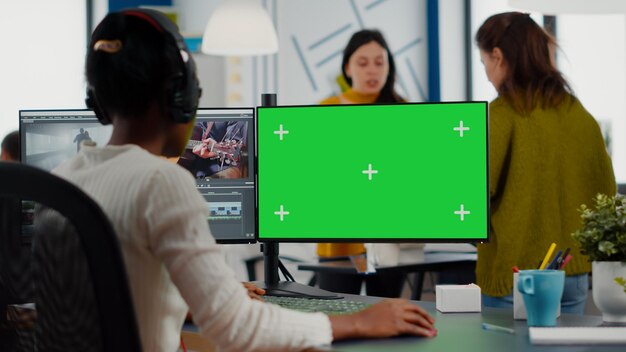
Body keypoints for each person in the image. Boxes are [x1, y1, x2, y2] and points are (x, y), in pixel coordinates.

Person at [53, 9, 436, 351]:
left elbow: (119, 291)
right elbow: (236, 328)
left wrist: (206, 290)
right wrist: (358, 322)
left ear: (98, 100)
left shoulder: (63, 179)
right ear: (181, 97)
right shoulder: (161, 183)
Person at [475, 12, 616, 314]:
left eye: (484, 62)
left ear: (498, 56)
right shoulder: (578, 113)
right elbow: (605, 192)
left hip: (517, 277)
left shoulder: (500, 115)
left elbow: (471, 196)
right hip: (571, 274)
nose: (486, 73)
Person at [317, 29, 408, 298]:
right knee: (338, 318)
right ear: (347, 67)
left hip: (389, 235)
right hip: (338, 238)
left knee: (388, 318)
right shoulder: (326, 110)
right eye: (363, 62)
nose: (372, 71)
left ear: (389, 67)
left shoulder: (403, 110)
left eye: (380, 63)